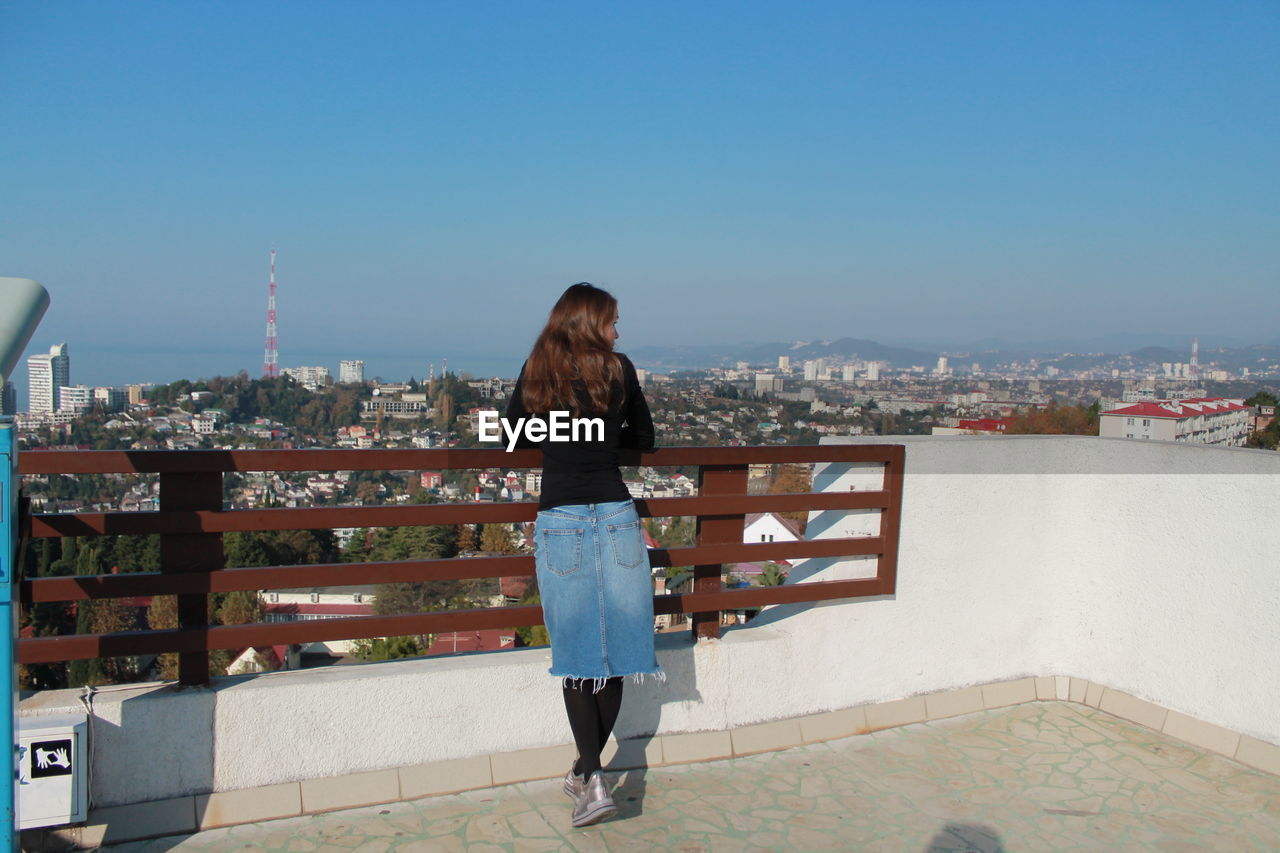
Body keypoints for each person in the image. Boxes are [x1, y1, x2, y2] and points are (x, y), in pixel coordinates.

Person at [504, 282, 659, 827]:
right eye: (614, 321)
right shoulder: (619, 369)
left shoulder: (538, 368)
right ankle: (588, 775)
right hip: (616, 516)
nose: (619, 330)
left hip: (562, 520)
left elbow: (511, 434)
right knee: (616, 652)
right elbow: (647, 436)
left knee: (577, 657)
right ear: (593, 324)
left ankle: (590, 777)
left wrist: (560, 438)